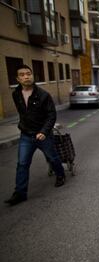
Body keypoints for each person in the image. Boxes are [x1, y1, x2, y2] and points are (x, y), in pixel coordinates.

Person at [4, 64, 66, 206]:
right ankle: (20, 193)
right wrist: (24, 128)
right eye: (22, 74)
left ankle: (60, 175)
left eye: (28, 73)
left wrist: (44, 132)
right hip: (26, 135)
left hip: (43, 135)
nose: (26, 76)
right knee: (22, 164)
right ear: (17, 79)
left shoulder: (43, 95)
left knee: (53, 157)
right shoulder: (16, 94)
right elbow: (23, 114)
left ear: (32, 76)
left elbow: (51, 115)